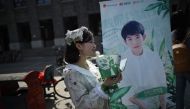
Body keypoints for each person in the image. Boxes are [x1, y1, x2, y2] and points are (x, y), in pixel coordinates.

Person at [62, 26, 122, 109]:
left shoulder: (89, 64)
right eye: (91, 42)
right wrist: (104, 85)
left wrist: (111, 80)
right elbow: (83, 105)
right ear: (79, 46)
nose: (94, 45)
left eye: (94, 42)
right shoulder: (71, 74)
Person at [118, 20, 167, 109]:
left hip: (153, 98)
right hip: (132, 103)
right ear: (125, 42)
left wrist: (163, 103)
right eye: (130, 39)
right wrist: (143, 106)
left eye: (137, 37)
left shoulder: (154, 56)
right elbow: (123, 86)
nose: (134, 42)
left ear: (143, 37)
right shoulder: (122, 61)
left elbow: (161, 81)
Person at [171, 10, 190, 109]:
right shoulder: (189, 33)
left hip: (177, 68)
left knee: (179, 95)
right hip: (188, 68)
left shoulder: (172, 34)